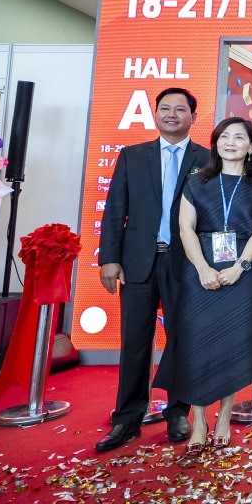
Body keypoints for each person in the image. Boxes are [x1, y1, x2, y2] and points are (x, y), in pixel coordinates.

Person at [96, 87, 209, 453]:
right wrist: (109, 258)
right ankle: (127, 418)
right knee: (134, 342)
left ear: (193, 116)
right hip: (137, 262)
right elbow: (115, 208)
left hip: (186, 263)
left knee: (183, 339)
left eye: (180, 109)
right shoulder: (132, 156)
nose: (172, 114)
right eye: (165, 108)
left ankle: (178, 412)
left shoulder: (207, 159)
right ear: (155, 114)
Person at [152, 117, 252, 450]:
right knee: (197, 343)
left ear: (251, 146)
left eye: (239, 137)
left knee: (232, 343)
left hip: (243, 271)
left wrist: (240, 266)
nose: (231, 142)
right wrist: (203, 268)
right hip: (200, 269)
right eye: (225, 137)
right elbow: (185, 228)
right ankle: (199, 420)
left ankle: (223, 417)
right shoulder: (197, 182)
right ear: (215, 143)